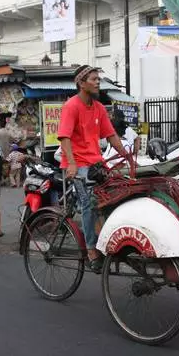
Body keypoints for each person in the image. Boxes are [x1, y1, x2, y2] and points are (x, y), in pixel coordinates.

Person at [57, 65, 130, 273]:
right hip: (77, 164)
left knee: (115, 196)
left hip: (96, 164)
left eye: (98, 79)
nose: (98, 82)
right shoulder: (71, 106)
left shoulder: (98, 107)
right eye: (94, 79)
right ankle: (90, 249)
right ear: (82, 83)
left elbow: (111, 135)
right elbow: (64, 137)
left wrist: (126, 155)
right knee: (88, 204)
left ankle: (106, 239)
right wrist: (71, 163)